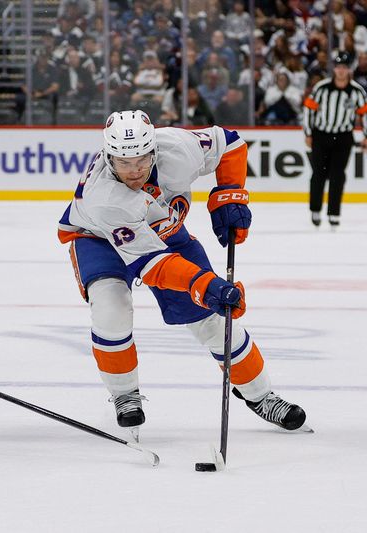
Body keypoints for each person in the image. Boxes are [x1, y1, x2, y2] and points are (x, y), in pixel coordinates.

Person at [57, 110, 307, 439]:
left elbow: (229, 143)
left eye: (142, 160)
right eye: (123, 163)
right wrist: (206, 284)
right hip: (97, 238)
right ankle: (125, 394)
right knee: (111, 308)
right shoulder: (105, 198)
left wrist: (228, 195)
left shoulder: (176, 146)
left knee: (213, 319)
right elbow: (153, 265)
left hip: (164, 230)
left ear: (154, 151)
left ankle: (261, 396)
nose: (134, 171)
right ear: (108, 157)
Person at [303, 53, 367, 229]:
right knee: (318, 174)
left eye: (344, 67)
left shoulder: (356, 91)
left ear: (348, 70)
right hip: (321, 135)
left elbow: (364, 114)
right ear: (334, 69)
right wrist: (308, 133)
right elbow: (309, 109)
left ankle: (333, 213)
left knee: (338, 175)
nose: (341, 71)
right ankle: (315, 209)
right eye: (338, 67)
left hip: (343, 137)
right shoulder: (321, 88)